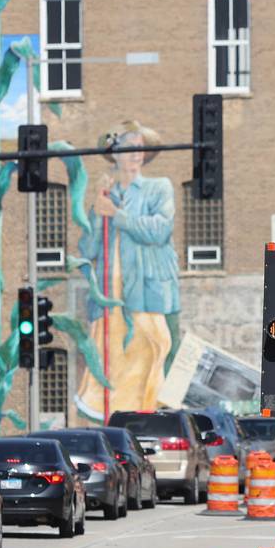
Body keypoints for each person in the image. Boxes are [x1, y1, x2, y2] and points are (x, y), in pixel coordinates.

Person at [74, 121, 180, 417]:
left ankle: (150, 414)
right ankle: (107, 413)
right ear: (115, 154)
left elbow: (160, 230)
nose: (136, 153)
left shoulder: (159, 188)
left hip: (147, 286)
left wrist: (117, 216)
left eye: (140, 147)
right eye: (129, 147)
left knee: (152, 345)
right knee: (112, 351)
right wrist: (98, 208)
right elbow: (89, 249)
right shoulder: (106, 194)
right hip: (111, 292)